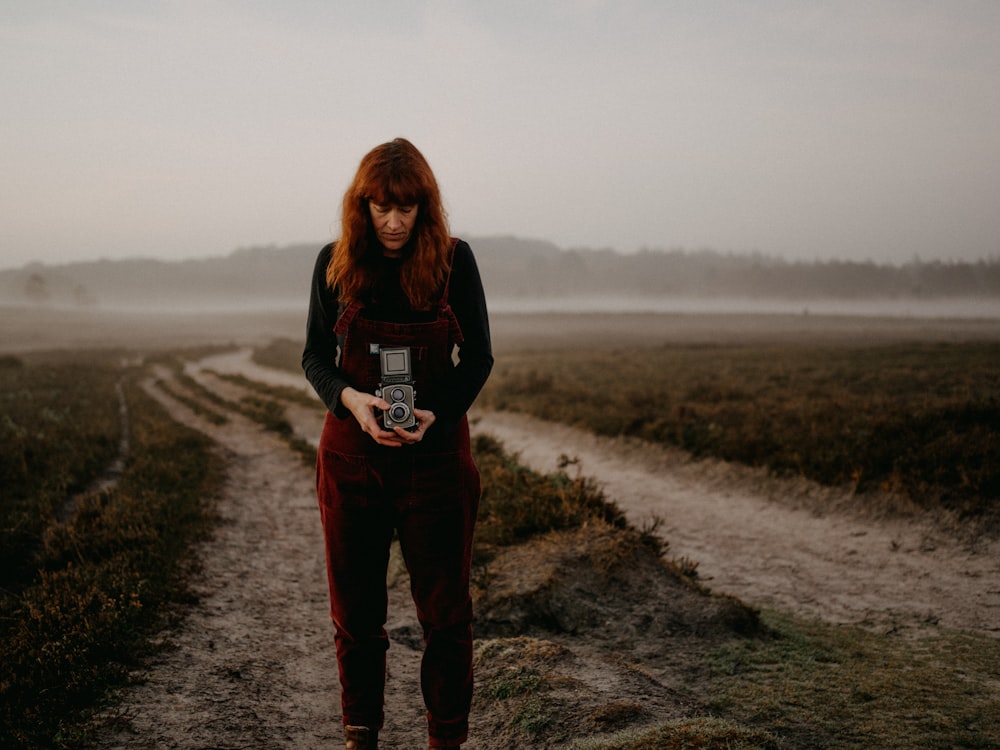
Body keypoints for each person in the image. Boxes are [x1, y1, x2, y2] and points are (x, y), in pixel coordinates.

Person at [302, 138, 493, 750]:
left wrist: (437, 415)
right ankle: (363, 737)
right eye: (381, 207)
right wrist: (353, 402)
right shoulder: (334, 262)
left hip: (435, 463)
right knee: (356, 619)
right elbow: (314, 358)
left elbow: (479, 358)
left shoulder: (454, 262)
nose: (393, 222)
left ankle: (446, 742)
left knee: (447, 617)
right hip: (352, 463)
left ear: (425, 207)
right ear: (362, 205)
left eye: (406, 209)